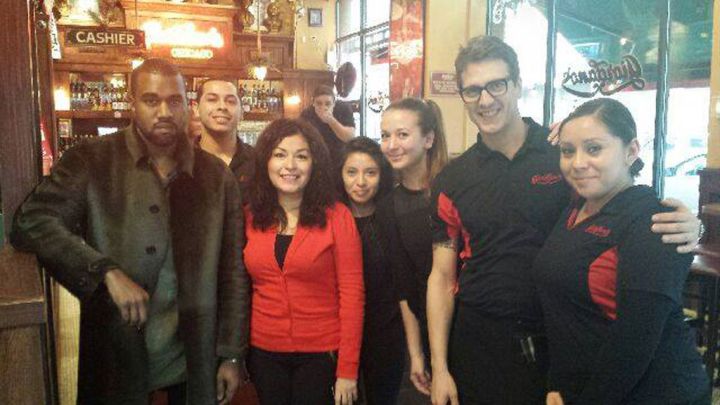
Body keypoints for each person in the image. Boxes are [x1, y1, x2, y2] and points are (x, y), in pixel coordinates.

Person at [427, 35, 702, 405]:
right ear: (461, 95)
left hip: (556, 339)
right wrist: (440, 367)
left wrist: (691, 224)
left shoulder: (561, 153)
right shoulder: (452, 179)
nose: (486, 99)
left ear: (518, 85)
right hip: (480, 338)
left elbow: (622, 198)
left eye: (497, 84)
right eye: (473, 90)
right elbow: (442, 276)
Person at [10, 58, 249, 404]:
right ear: (132, 103)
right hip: (116, 350)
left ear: (187, 105)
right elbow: (32, 221)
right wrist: (104, 270)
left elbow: (233, 272)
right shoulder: (91, 160)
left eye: (174, 100)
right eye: (151, 100)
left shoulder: (216, 177)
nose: (164, 111)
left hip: (193, 357)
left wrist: (230, 354)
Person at [536, 98, 709, 404]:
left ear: (631, 151)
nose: (577, 163)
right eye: (568, 151)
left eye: (594, 148)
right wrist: (557, 383)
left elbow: (634, 344)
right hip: (585, 386)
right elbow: (565, 317)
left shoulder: (654, 223)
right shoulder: (575, 208)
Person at [243, 118, 364, 405]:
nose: (290, 166)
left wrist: (348, 369)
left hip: (322, 353)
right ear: (266, 162)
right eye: (280, 154)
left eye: (301, 156)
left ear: (315, 164)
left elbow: (352, 295)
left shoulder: (337, 216)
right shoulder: (249, 216)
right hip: (263, 351)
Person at [377, 97, 449, 397]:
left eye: (402, 135)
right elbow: (404, 287)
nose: (391, 144)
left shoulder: (454, 188)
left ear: (429, 138)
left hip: (472, 324)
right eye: (385, 136)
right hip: (428, 328)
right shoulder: (388, 207)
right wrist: (417, 354)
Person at [338, 137, 405, 404]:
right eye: (351, 172)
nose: (361, 182)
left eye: (371, 173)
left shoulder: (393, 216)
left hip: (386, 331)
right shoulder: (330, 218)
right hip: (338, 333)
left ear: (382, 175)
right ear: (339, 174)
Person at [195, 78, 255, 199]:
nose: (222, 106)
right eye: (212, 100)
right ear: (196, 109)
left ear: (242, 112)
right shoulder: (181, 160)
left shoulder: (258, 162)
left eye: (231, 101)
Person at [301, 84, 356, 169]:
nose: (324, 107)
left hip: (341, 159)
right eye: (319, 103)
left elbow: (350, 137)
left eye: (328, 104)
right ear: (313, 103)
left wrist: (331, 121)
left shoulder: (343, 109)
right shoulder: (307, 114)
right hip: (316, 161)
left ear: (334, 103)